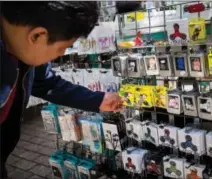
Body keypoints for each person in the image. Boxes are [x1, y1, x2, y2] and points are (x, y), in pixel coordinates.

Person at [0, 2, 123, 178]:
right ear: (37, 36)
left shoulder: (24, 51)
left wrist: (97, 100)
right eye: (61, 49)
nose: (61, 54)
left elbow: (47, 83)